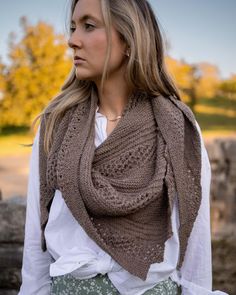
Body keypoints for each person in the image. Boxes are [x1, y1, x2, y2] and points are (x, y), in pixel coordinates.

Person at [18, 0, 228, 294]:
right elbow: (35, 250)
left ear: (128, 40)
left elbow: (195, 249)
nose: (72, 40)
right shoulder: (56, 125)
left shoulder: (177, 128)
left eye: (89, 26)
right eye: (73, 27)